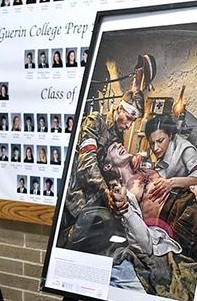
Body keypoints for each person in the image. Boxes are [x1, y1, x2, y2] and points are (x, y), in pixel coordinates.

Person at [64, 90, 144, 222]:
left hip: (94, 195)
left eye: (133, 120)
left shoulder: (117, 134)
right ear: (119, 108)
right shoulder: (95, 121)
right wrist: (105, 191)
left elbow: (109, 166)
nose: (129, 125)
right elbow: (86, 163)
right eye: (128, 118)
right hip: (74, 193)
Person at [144, 114, 197, 200]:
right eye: (152, 143)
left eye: (160, 141)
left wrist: (172, 183)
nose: (155, 148)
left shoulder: (186, 150)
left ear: (170, 135)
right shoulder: (161, 148)